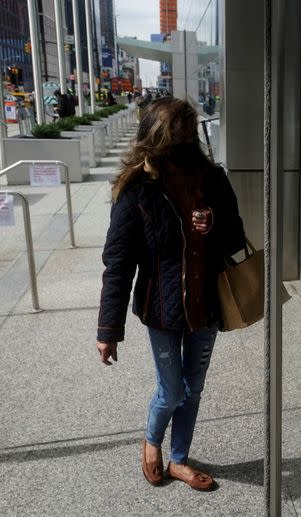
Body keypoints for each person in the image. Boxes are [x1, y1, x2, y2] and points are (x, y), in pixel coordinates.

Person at [96, 97, 246, 490]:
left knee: (193, 388)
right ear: (155, 139)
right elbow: (118, 262)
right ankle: (152, 441)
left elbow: (235, 236)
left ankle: (178, 459)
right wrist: (107, 329)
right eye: (173, 137)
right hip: (161, 310)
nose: (183, 144)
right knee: (173, 389)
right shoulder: (137, 190)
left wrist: (213, 223)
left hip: (207, 306)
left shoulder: (212, 179)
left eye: (187, 135)